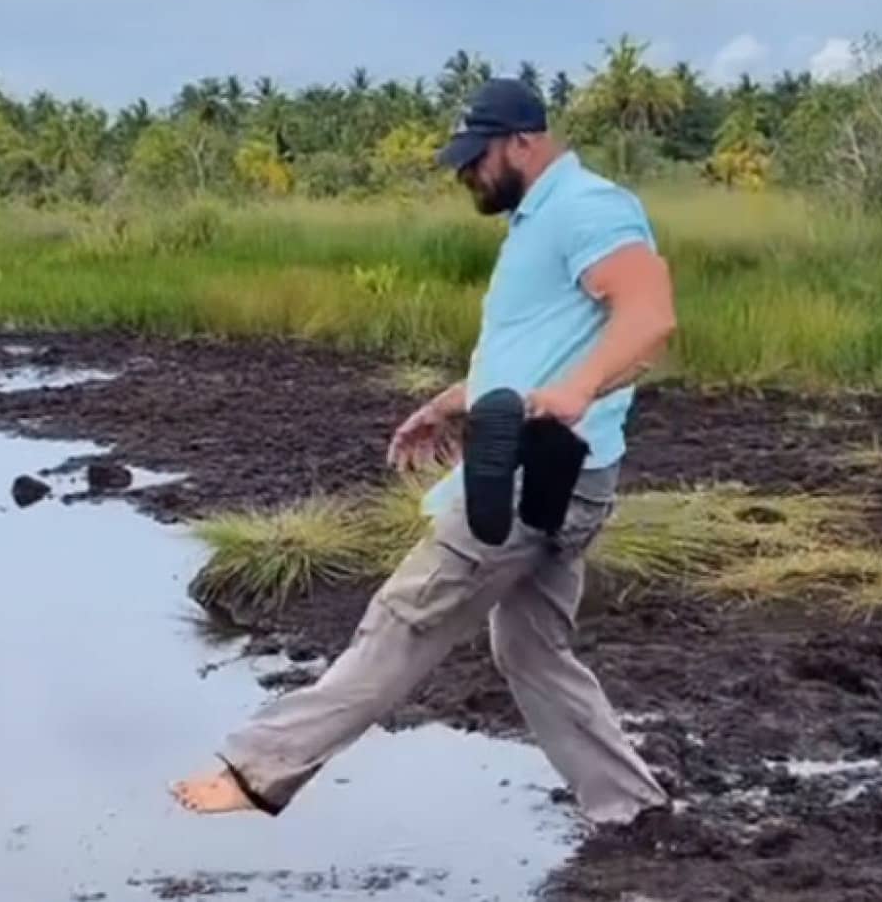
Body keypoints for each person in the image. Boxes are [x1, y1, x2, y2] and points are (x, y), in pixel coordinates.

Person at [170, 77, 677, 828]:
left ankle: (257, 768)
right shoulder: (539, 220)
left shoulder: (586, 208)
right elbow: (533, 348)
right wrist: (446, 404)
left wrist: (576, 390)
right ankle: (630, 807)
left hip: (534, 471)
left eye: (475, 157)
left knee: (405, 618)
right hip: (560, 473)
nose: (464, 173)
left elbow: (649, 312)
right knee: (532, 651)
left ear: (522, 143)